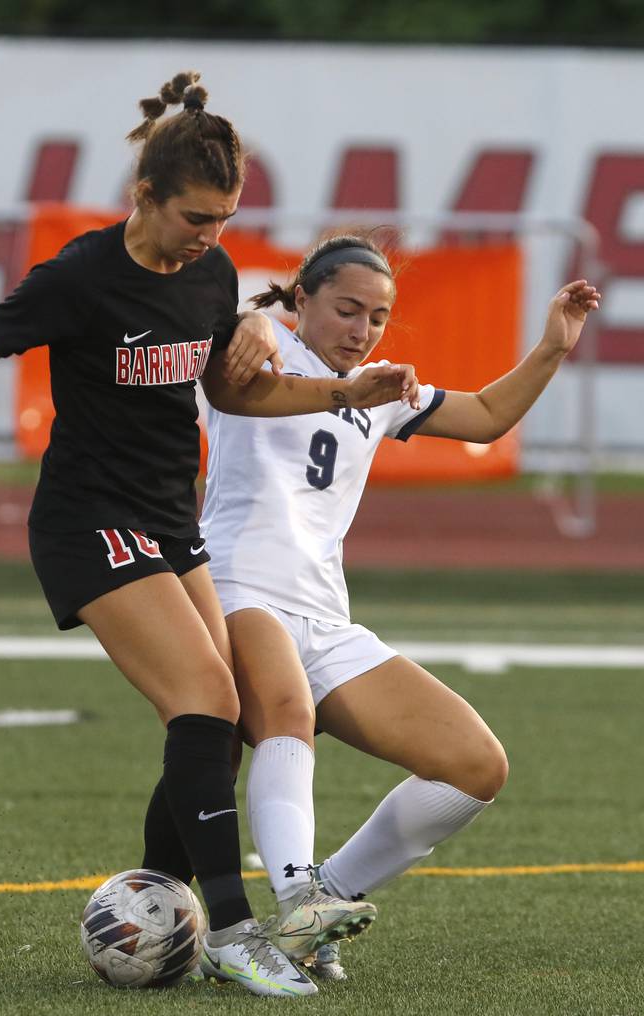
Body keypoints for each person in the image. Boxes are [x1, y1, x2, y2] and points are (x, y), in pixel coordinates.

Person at [0, 74, 421, 997]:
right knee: (203, 699)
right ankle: (235, 931)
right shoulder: (80, 277)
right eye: (197, 215)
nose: (213, 235)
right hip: (88, 520)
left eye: (227, 217)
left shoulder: (211, 274)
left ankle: (157, 902)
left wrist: (339, 391)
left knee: (234, 714)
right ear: (144, 197)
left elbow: (232, 391)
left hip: (167, 517)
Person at [199, 232, 601, 979]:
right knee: (285, 712)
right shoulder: (264, 351)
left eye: (378, 317)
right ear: (303, 297)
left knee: (474, 765)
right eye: (347, 310)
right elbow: (214, 328)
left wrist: (552, 347)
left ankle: (324, 901)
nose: (362, 330)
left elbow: (483, 415)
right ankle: (294, 899)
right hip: (236, 589)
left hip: (323, 614)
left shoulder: (380, 389)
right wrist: (251, 321)